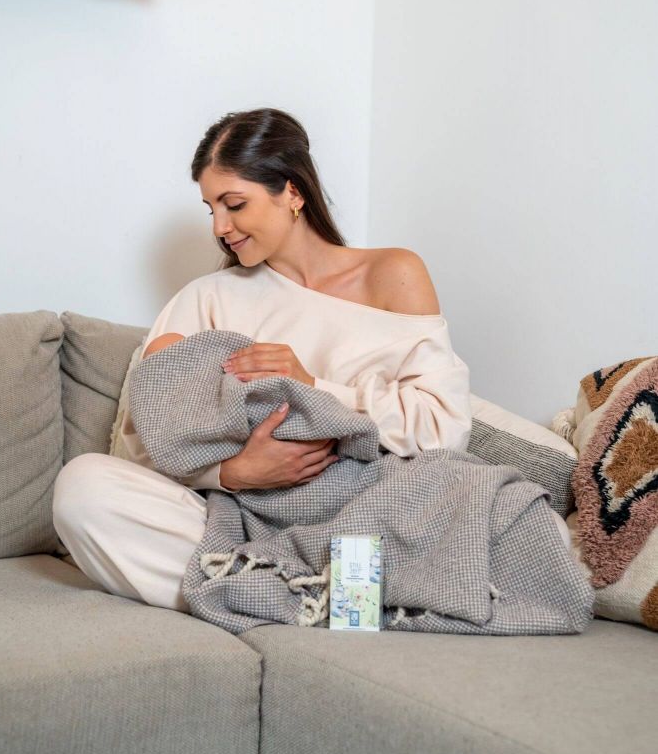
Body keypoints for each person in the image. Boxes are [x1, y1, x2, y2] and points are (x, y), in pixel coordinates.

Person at [52, 107, 568, 613]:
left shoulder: (394, 274)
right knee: (84, 490)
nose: (220, 227)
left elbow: (443, 428)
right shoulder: (206, 299)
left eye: (234, 204)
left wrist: (314, 386)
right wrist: (233, 473)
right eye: (211, 209)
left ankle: (285, 593)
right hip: (239, 516)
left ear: (293, 192)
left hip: (365, 510)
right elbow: (145, 442)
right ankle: (322, 598)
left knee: (532, 529)